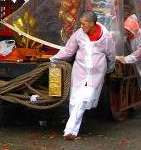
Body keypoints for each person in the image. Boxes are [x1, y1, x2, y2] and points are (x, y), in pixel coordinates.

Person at [50, 11, 116, 140]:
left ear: (92, 24)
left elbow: (111, 55)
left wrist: (110, 69)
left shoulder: (106, 37)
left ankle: (70, 130)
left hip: (96, 75)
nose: (81, 26)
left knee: (83, 100)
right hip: (79, 72)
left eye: (83, 24)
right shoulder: (79, 34)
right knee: (75, 100)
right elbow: (68, 50)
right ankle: (73, 130)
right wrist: (54, 58)